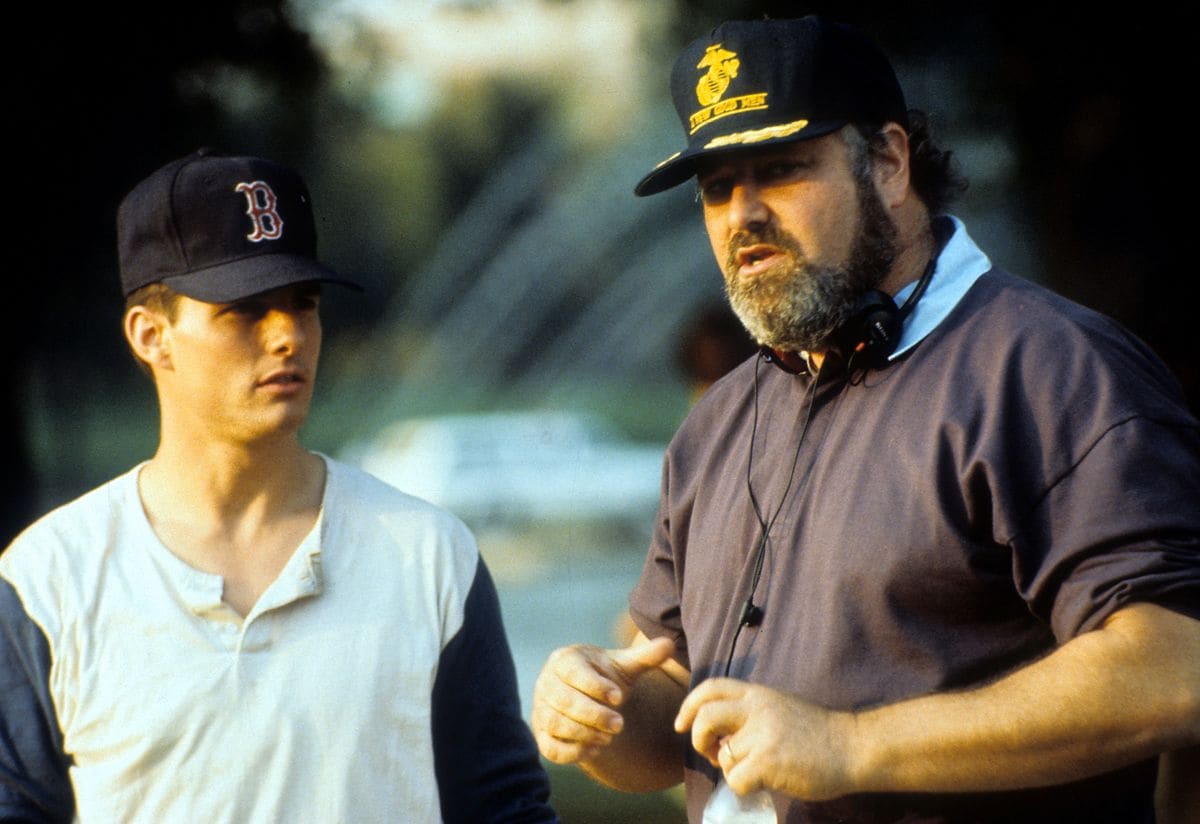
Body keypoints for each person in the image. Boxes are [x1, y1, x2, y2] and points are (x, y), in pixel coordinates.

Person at [530, 16, 1200, 824]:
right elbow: (670, 714)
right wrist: (596, 712)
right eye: (716, 187)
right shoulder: (717, 424)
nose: (742, 214)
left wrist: (849, 744)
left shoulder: (1053, 370)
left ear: (888, 161)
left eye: (780, 169)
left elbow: (1176, 664)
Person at [0, 149, 557, 823]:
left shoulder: (430, 555)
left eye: (304, 303)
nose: (288, 334)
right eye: (245, 310)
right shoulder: (49, 579)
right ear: (153, 336)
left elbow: (504, 809)